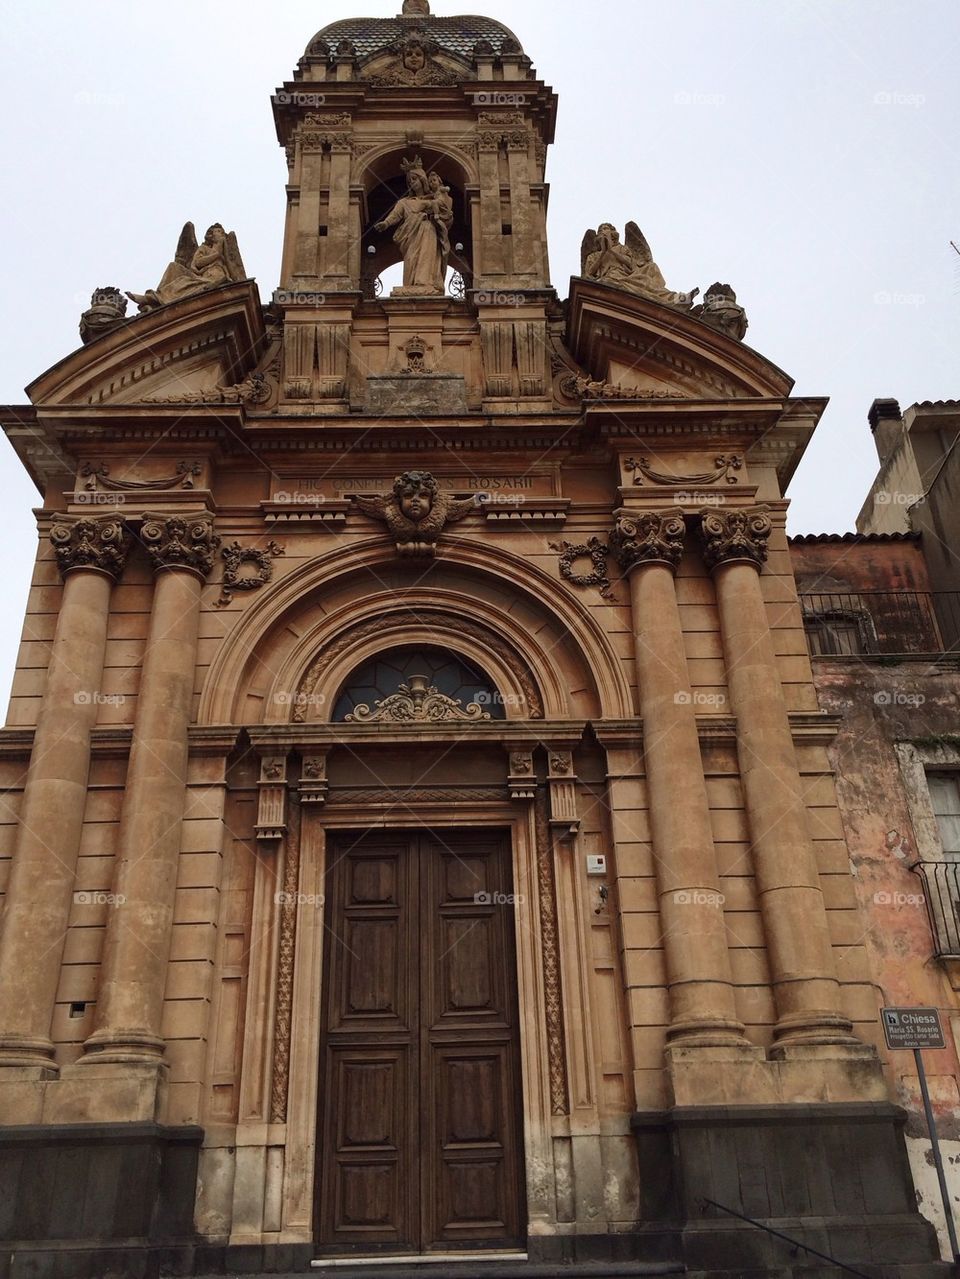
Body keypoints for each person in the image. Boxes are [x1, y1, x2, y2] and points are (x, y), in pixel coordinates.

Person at [374, 163, 446, 295]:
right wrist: (386, 223)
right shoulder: (404, 202)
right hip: (409, 234)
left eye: (415, 179)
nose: (412, 182)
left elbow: (445, 212)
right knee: (411, 258)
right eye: (410, 180)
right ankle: (411, 284)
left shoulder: (433, 199)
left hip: (427, 229)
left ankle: (425, 283)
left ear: (422, 180)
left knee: (426, 255)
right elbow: (395, 215)